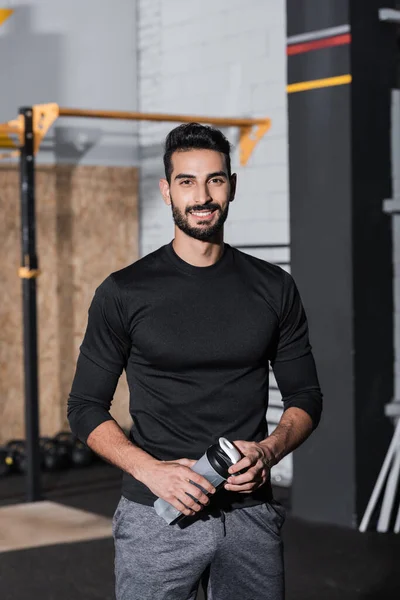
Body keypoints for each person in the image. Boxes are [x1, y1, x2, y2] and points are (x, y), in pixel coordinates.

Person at [67, 123, 323, 600]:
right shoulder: (124, 292)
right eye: (186, 181)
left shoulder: (273, 288)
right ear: (167, 190)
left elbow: (306, 396)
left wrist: (269, 451)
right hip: (156, 514)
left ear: (231, 187)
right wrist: (150, 470)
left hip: (248, 515)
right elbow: (84, 407)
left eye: (215, 180)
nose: (202, 195)